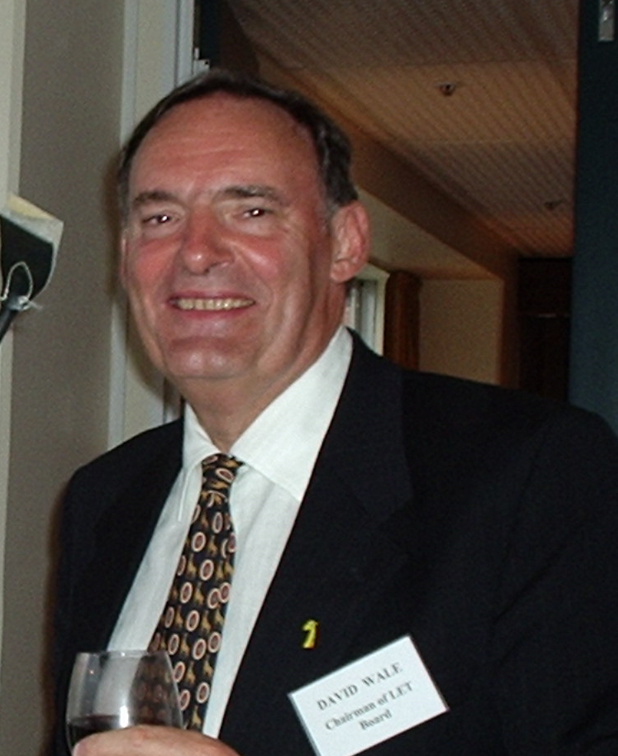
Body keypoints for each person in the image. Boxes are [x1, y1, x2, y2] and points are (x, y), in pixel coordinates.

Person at [50, 69, 618, 756]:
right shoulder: (103, 501)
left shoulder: (527, 476)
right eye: (159, 218)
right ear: (124, 257)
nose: (195, 252)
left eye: (251, 211)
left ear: (346, 242)